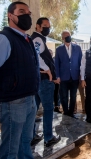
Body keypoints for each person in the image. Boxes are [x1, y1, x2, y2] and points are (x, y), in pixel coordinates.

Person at [0, 1, 38, 158]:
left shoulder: (27, 40)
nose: (27, 15)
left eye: (29, 12)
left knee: (25, 142)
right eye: (22, 11)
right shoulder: (3, 39)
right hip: (12, 104)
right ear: (10, 16)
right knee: (10, 149)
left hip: (30, 100)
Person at [31, 17, 61, 147]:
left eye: (49, 26)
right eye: (44, 26)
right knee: (48, 109)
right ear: (37, 26)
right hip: (44, 81)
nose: (47, 28)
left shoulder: (37, 38)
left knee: (33, 110)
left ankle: (32, 136)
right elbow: (36, 55)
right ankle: (48, 137)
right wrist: (48, 69)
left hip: (37, 81)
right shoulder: (37, 39)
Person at [55, 30, 82, 118]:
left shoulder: (77, 48)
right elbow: (56, 64)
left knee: (73, 96)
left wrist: (81, 75)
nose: (68, 37)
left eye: (69, 35)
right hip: (63, 77)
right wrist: (57, 76)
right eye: (66, 36)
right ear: (62, 38)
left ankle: (71, 113)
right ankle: (66, 112)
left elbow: (81, 62)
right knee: (64, 96)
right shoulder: (59, 49)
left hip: (74, 76)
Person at [49, 49, 62, 113]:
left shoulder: (54, 60)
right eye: (49, 53)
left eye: (51, 53)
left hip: (56, 80)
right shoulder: (46, 61)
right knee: (50, 94)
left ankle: (56, 106)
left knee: (56, 94)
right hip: (49, 81)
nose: (50, 54)